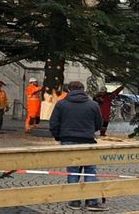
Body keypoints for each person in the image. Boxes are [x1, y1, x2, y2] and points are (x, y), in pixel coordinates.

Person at [49, 81, 108, 211]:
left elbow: (53, 123)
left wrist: (59, 137)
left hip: (68, 141)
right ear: (83, 89)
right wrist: (90, 131)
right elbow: (99, 123)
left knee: (72, 171)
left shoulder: (61, 104)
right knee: (90, 171)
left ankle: (74, 201)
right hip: (88, 141)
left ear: (69, 90)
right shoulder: (93, 105)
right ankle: (91, 201)